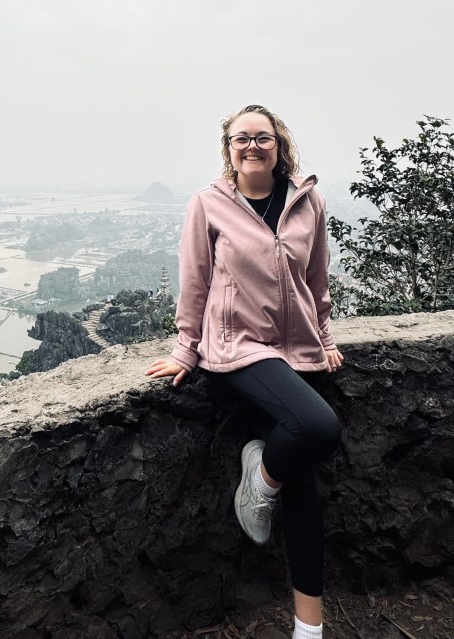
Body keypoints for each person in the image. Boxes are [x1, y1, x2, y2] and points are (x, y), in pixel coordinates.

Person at [145, 104, 344, 639]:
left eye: (263, 137)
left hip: (297, 349)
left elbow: (317, 281)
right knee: (319, 429)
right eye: (241, 138)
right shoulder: (209, 204)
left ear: (280, 145)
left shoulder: (309, 201)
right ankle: (258, 477)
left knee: (302, 480)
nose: (251, 145)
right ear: (228, 148)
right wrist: (187, 351)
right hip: (238, 347)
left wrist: (324, 339)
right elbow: (195, 281)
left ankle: (309, 626)